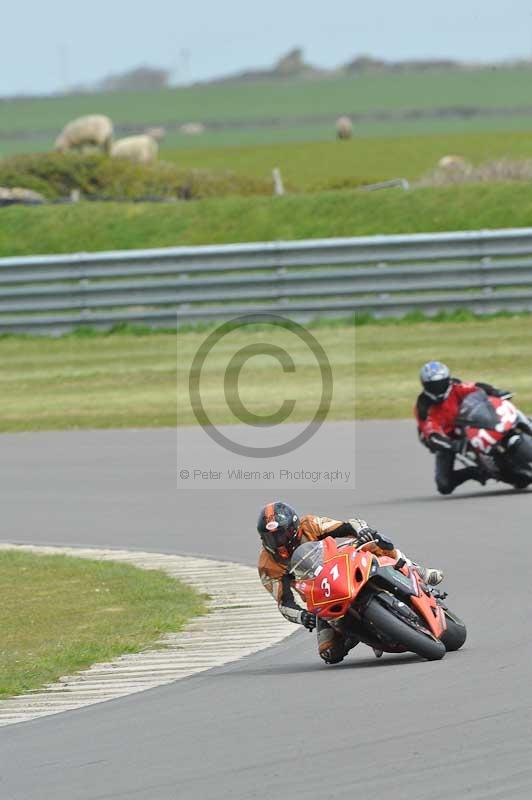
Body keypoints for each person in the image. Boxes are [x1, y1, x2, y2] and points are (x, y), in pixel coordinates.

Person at [257, 501, 443, 664]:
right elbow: (284, 603)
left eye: (280, 534)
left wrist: (362, 531)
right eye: (270, 537)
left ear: (294, 528)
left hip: (340, 567)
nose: (277, 542)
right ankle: (360, 633)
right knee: (329, 653)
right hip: (321, 598)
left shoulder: (310, 524)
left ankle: (417, 570)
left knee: (376, 542)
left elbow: (348, 525)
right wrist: (302, 617)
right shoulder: (268, 564)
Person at [415, 361, 509, 495]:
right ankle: (477, 472)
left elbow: (476, 387)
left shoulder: (455, 386)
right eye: (433, 386)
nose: (438, 388)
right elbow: (433, 436)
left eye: (441, 383)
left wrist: (496, 392)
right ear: (425, 386)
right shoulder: (423, 408)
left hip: (469, 422)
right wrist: (454, 445)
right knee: (444, 485)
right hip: (448, 438)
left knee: (500, 414)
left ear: (447, 380)